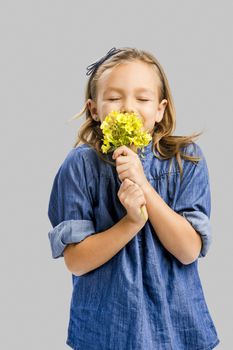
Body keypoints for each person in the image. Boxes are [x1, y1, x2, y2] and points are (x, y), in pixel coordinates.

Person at [47, 47, 220, 349]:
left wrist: (144, 186)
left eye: (142, 99)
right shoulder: (79, 167)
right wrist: (130, 222)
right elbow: (76, 261)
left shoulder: (186, 160)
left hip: (176, 326)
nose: (128, 108)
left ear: (160, 109)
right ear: (94, 109)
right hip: (106, 329)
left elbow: (189, 250)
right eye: (114, 98)